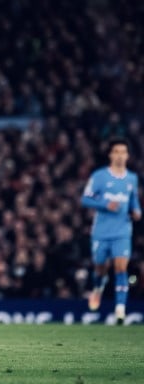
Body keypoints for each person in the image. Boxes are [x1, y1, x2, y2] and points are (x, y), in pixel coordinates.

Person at [81, 137, 141, 325]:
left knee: (121, 268)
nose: (120, 156)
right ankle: (98, 288)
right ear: (110, 155)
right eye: (116, 152)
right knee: (100, 268)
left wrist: (137, 211)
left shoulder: (132, 178)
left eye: (123, 152)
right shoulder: (99, 176)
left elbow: (133, 200)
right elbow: (86, 199)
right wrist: (106, 204)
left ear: (128, 155)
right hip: (101, 232)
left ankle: (120, 309)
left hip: (122, 231)